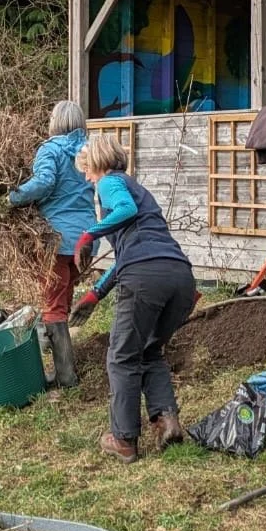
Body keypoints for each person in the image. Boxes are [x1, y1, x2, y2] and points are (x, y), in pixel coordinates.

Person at [68, 134, 197, 463]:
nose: (87, 178)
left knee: (121, 357)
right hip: (179, 276)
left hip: (146, 278)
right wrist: (96, 294)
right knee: (149, 350)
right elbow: (130, 255)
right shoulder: (138, 190)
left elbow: (124, 212)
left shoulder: (110, 183)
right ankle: (166, 420)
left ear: (99, 164)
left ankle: (124, 439)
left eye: (87, 171)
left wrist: (88, 235)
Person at [6, 100, 95, 389]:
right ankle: (51, 349)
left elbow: (44, 182)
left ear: (55, 123)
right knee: (64, 296)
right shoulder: (90, 150)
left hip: (57, 241)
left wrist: (12, 197)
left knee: (53, 305)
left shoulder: (51, 149)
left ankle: (65, 377)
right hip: (85, 242)